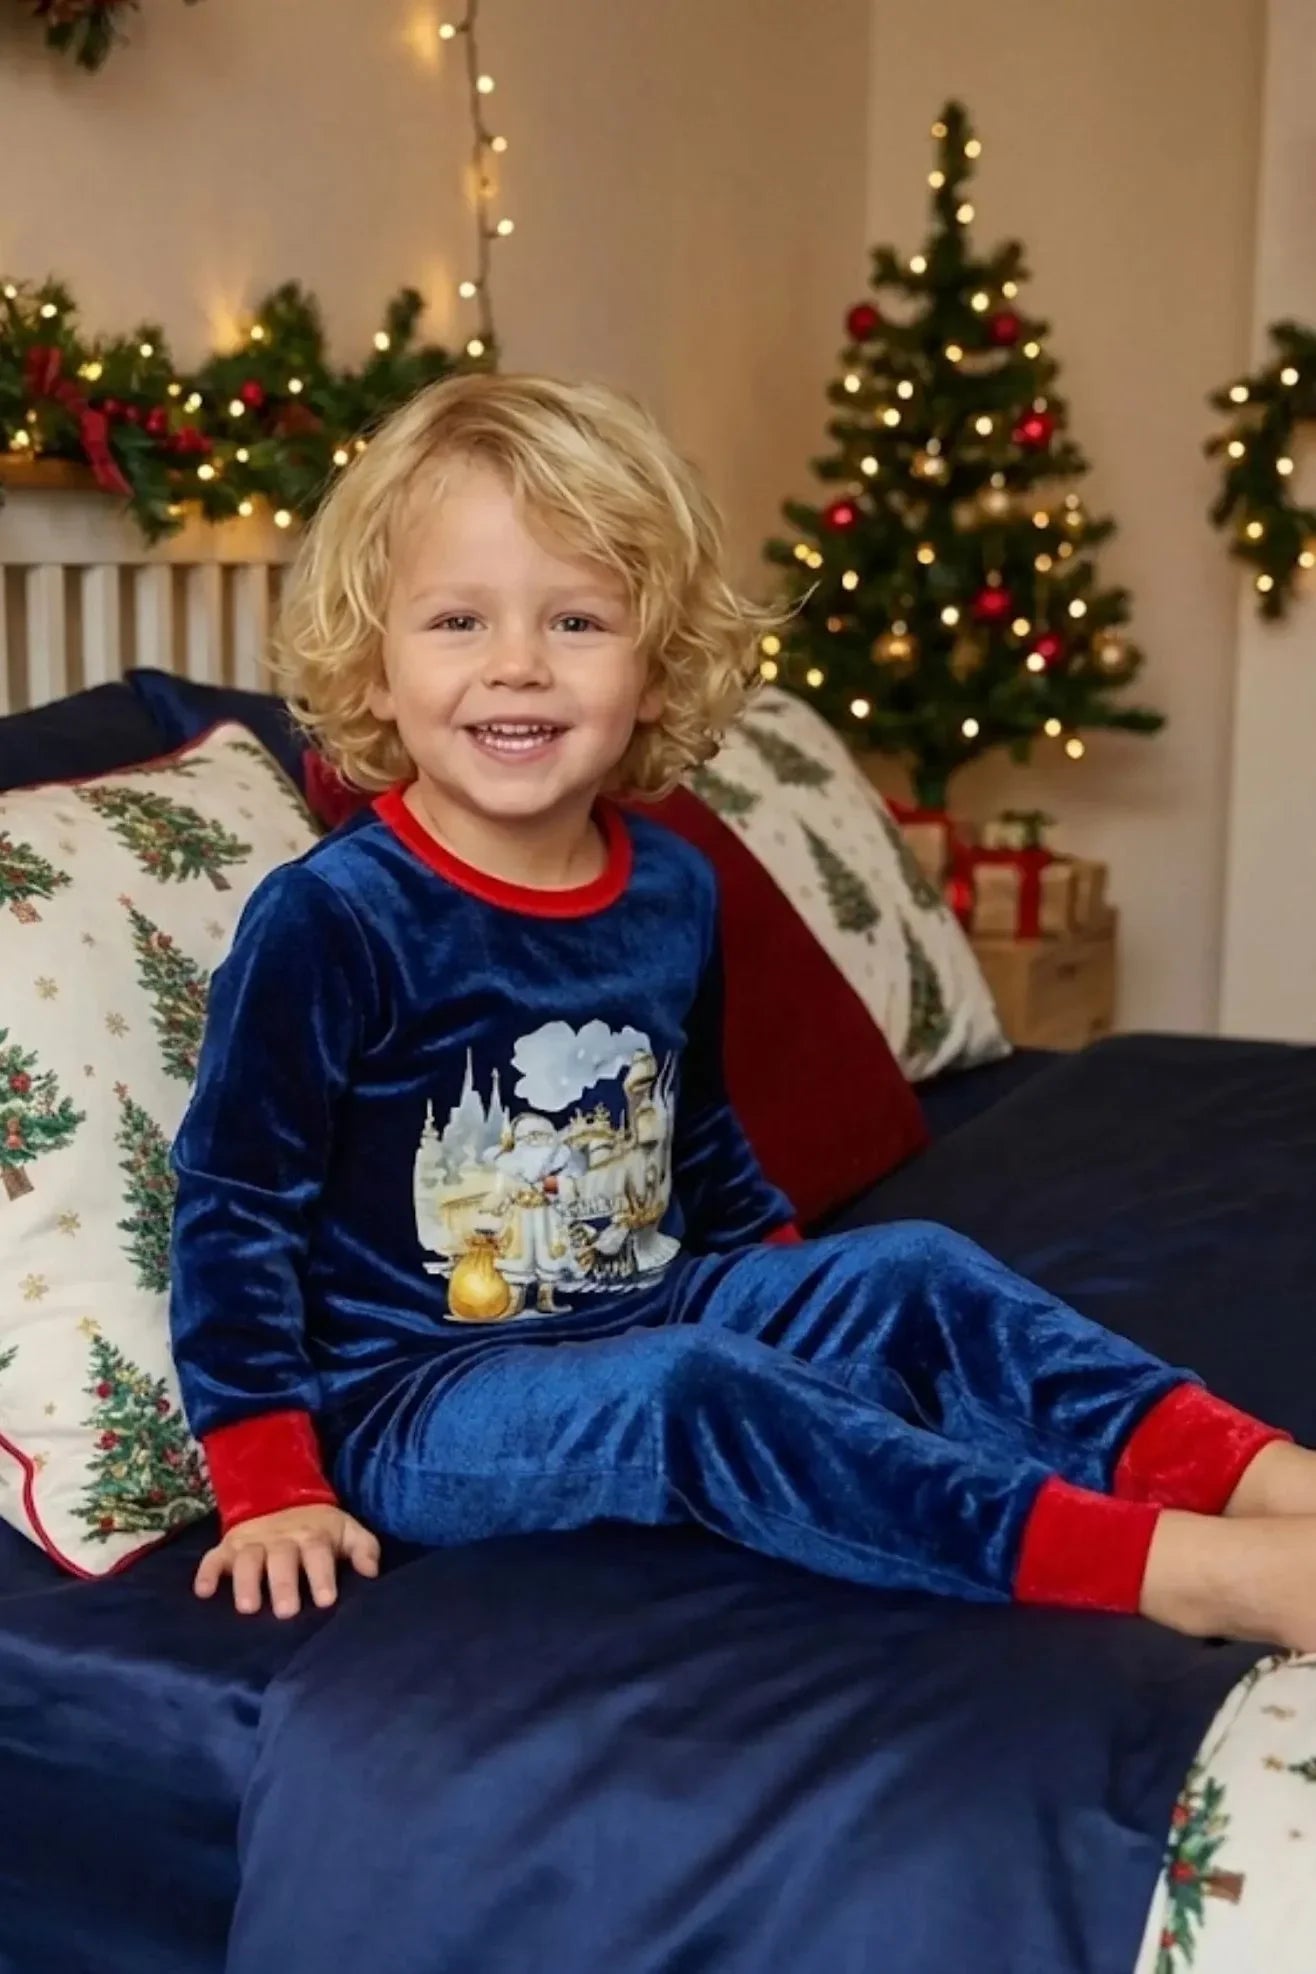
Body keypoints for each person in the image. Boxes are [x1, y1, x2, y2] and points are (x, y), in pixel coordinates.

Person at [169, 372, 1316, 1646]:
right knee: (693, 1390)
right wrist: (268, 1482)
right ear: (374, 668)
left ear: (656, 672)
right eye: (454, 621)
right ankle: (1178, 1567)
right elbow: (234, 1209)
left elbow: (696, 1138)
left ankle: (1264, 1479)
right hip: (417, 1399)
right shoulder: (332, 917)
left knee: (912, 1269)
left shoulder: (669, 883)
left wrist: (807, 1305)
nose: (516, 666)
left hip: (651, 1302)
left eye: (576, 622)